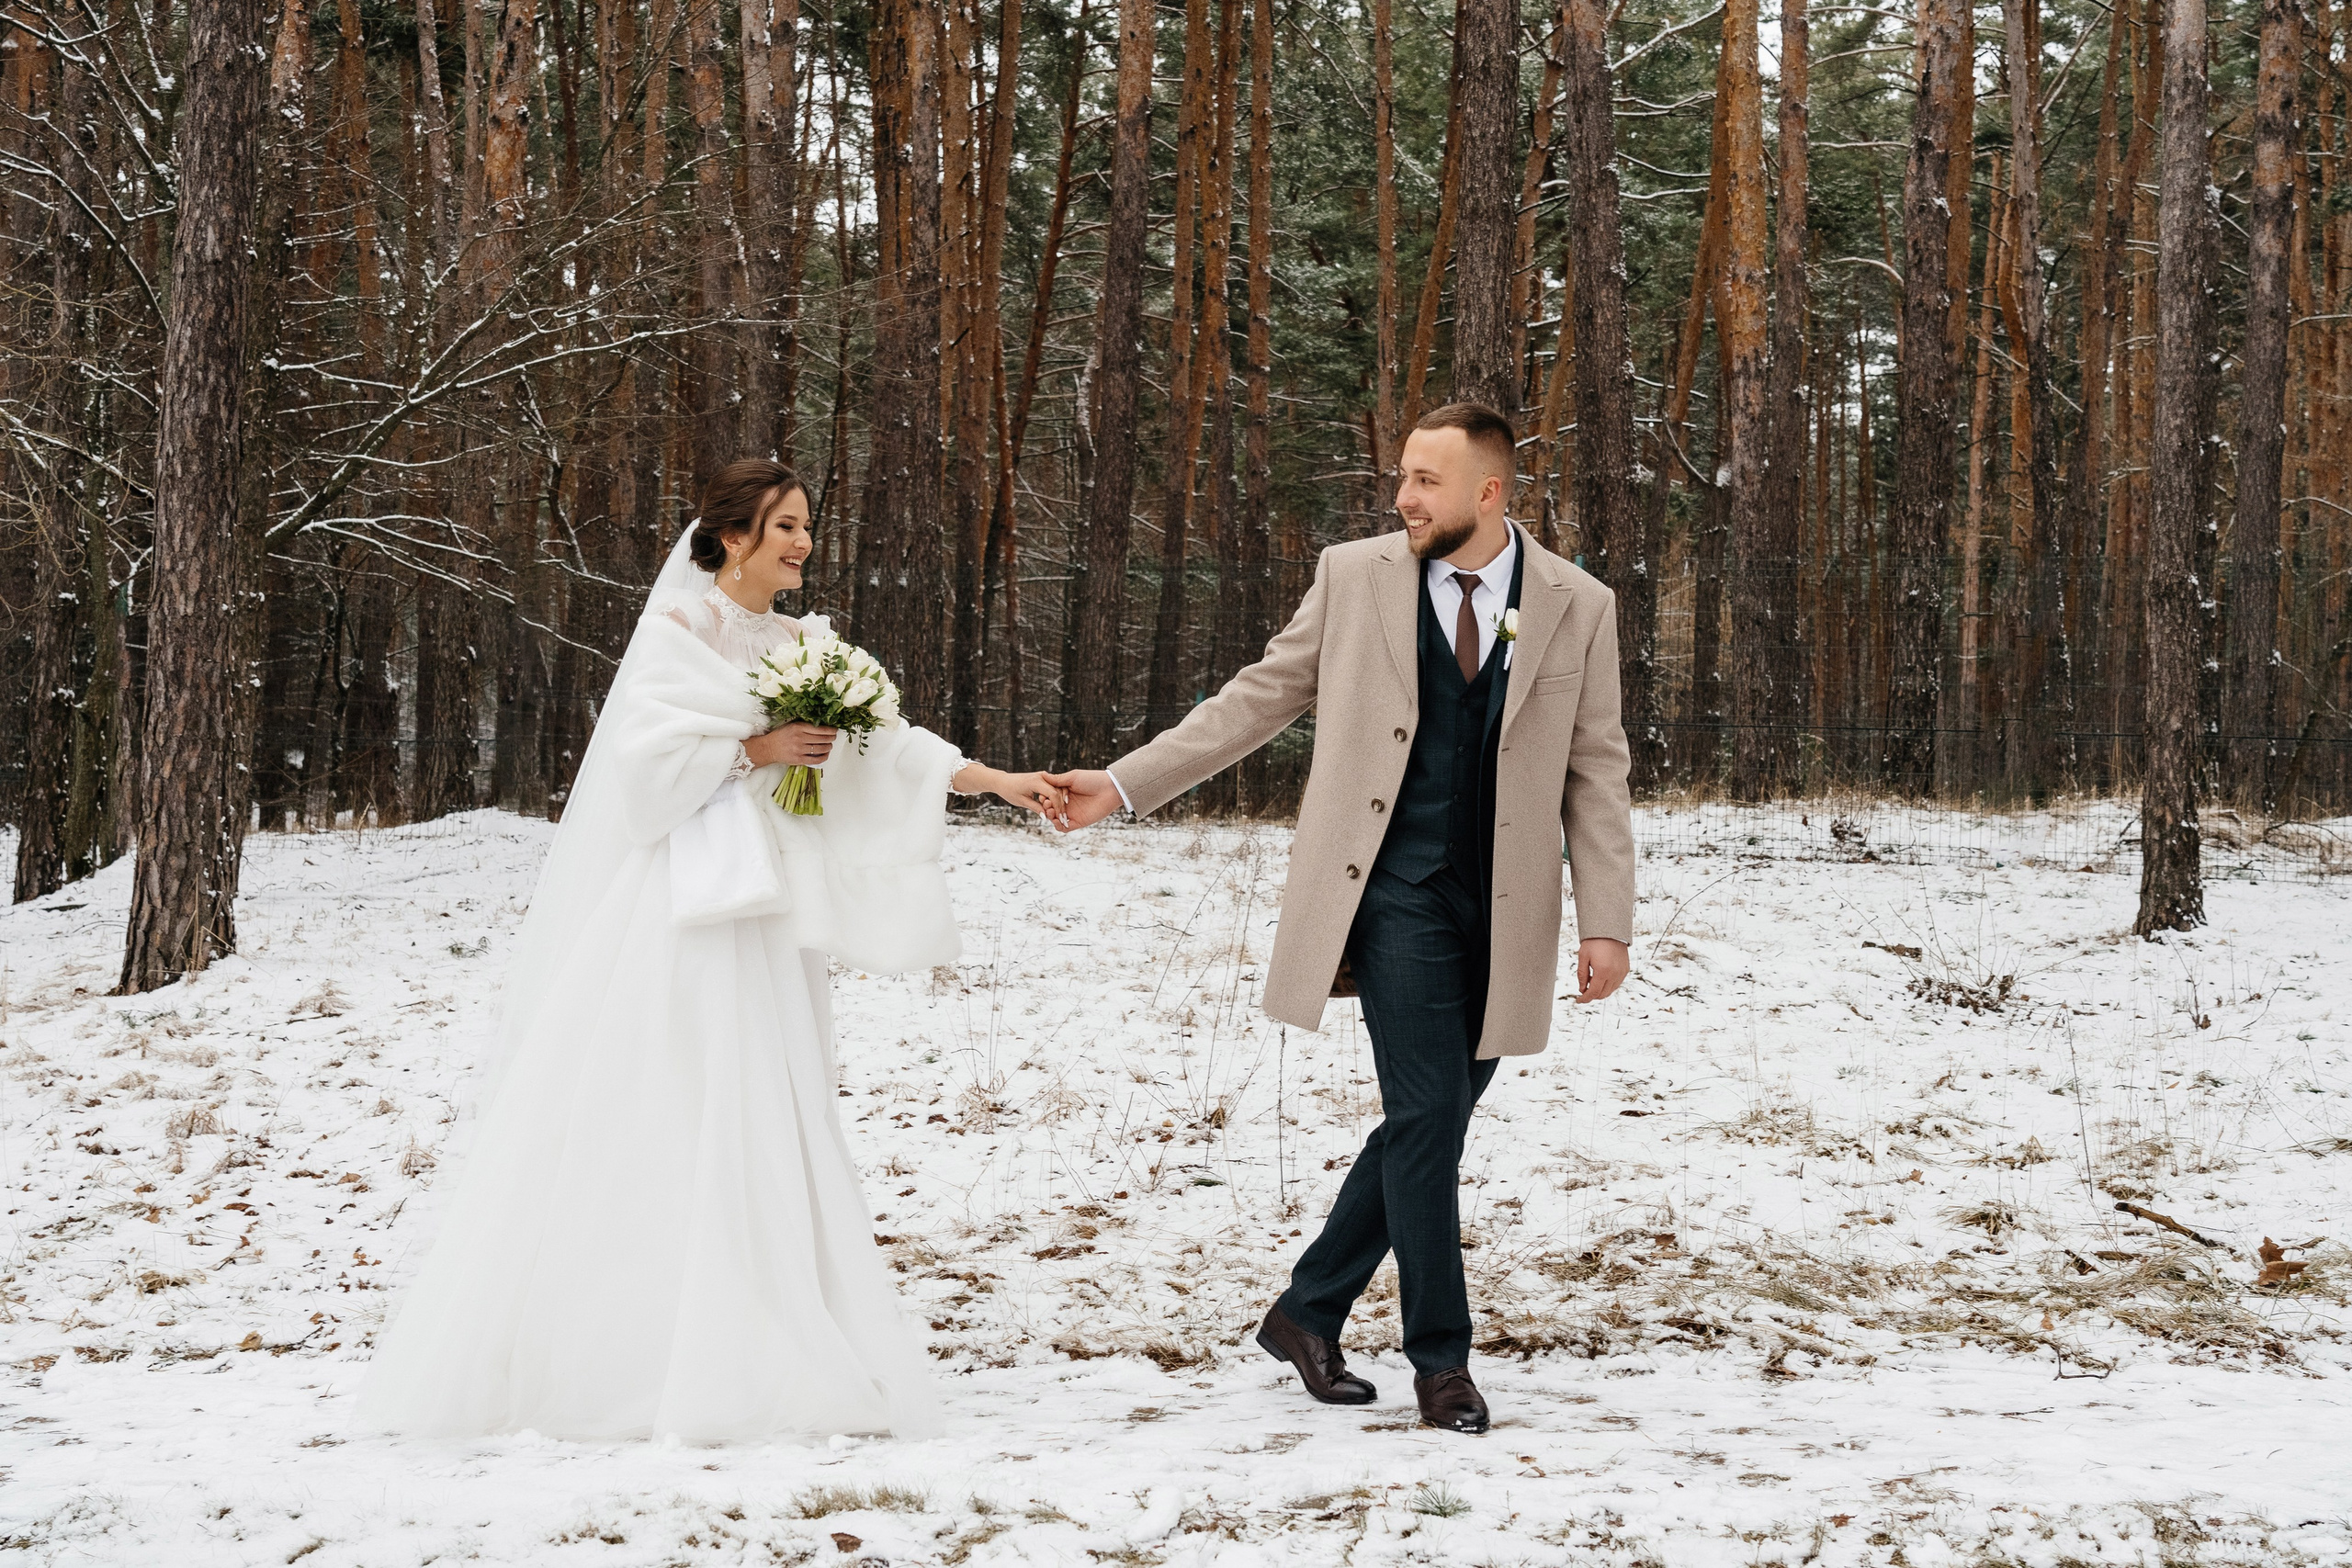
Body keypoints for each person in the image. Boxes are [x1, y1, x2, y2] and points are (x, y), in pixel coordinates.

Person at [355, 458, 1066, 1443]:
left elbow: (888, 744)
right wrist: (756, 751)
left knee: (771, 1103)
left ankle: (766, 1333)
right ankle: (638, 1349)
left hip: (774, 912)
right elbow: (644, 777)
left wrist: (995, 780)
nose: (802, 542)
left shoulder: (806, 644)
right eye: (785, 525)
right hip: (685, 909)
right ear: (733, 536)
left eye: (807, 525)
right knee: (680, 1101)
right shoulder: (678, 632)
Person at [1047, 402, 1634, 1435]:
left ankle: (1307, 1309)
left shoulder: (1576, 604)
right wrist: (1125, 784)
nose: (1403, 498)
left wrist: (1607, 920)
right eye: (1402, 476)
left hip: (1507, 909)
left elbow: (1596, 767)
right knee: (1427, 1113)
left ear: (1489, 492)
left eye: (1425, 481)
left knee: (1427, 1120)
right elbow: (1257, 698)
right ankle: (1441, 1362)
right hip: (1390, 891)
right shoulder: (1354, 576)